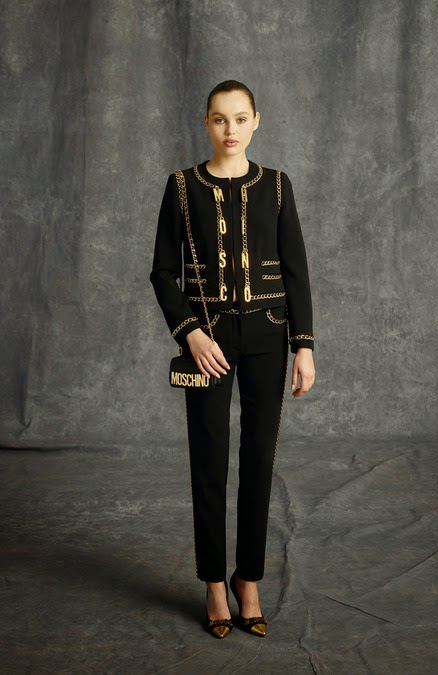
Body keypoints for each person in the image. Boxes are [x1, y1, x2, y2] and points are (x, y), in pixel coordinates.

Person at [150, 80, 315, 639]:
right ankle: (213, 584)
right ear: (206, 122)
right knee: (209, 461)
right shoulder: (182, 187)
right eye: (220, 119)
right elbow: (162, 271)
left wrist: (304, 345)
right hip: (209, 342)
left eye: (240, 118)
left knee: (258, 461)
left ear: (256, 121)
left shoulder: (276, 186)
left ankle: (249, 580)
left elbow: (295, 270)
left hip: (268, 336)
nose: (230, 130)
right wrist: (191, 333)